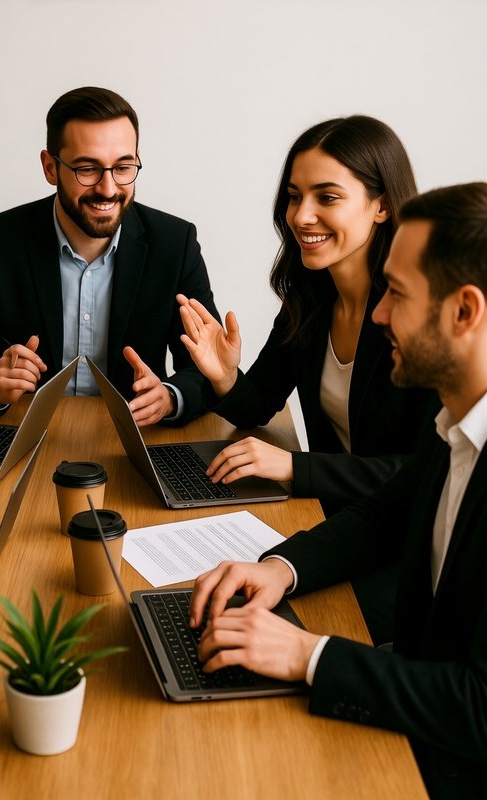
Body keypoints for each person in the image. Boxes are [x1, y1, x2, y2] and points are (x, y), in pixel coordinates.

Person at [189, 183, 487, 799]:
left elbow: (481, 708)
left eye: (397, 295)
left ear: (465, 312)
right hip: (415, 726)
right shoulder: (455, 424)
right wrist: (279, 569)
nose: (378, 315)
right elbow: (383, 517)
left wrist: (310, 656)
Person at [178, 116, 435, 513]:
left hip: (402, 539)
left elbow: (427, 473)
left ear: (381, 204)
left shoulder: (422, 314)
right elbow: (258, 405)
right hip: (338, 520)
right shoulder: (311, 297)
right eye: (295, 196)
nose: (300, 216)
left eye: (327, 197)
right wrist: (225, 376)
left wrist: (297, 467)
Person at [0, 86, 220, 427]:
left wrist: (170, 397)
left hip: (134, 439)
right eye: (87, 169)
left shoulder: (175, 243)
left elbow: (209, 368)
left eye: (123, 167)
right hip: (25, 435)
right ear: (50, 168)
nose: (108, 189)